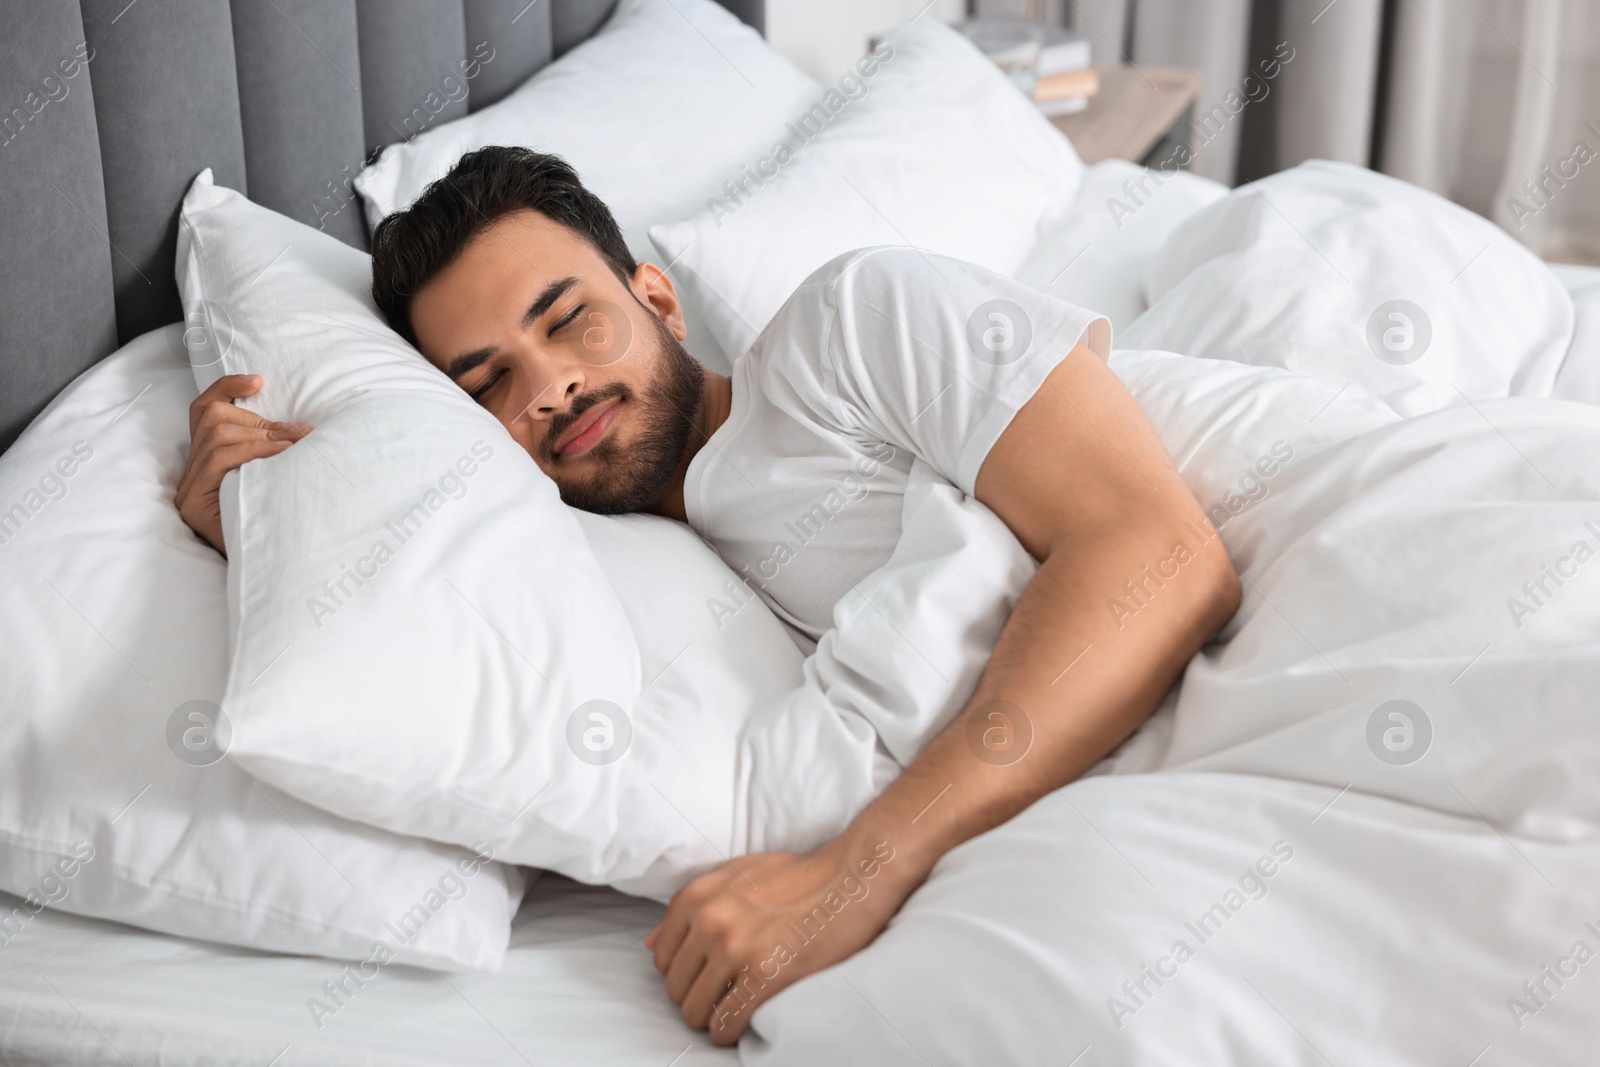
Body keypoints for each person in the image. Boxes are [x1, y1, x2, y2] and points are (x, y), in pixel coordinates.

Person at [175, 146, 1240, 1044]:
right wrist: (271, 526)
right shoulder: (596, 563)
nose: (546, 386)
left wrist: (855, 872)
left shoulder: (848, 325)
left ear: (658, 298)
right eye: (485, 382)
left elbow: (1161, 554)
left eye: (568, 319)